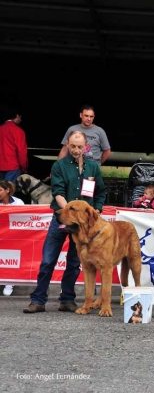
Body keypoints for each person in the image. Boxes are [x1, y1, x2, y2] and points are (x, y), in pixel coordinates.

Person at [24, 131, 106, 314]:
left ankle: (67, 300)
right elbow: (58, 192)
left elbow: (100, 193)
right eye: (72, 146)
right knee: (48, 260)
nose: (76, 150)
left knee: (74, 262)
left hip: (82, 226)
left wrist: (97, 209)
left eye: (79, 147)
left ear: (86, 147)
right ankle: (38, 300)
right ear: (67, 144)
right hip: (61, 220)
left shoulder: (93, 167)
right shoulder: (59, 166)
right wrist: (70, 213)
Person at [0, 180, 25, 296]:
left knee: (12, 259)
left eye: (0, 190)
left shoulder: (19, 202)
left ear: (7, 190)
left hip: (15, 237)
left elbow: (25, 219)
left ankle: (9, 282)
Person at [0, 107, 28, 183]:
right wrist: (24, 167)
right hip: (12, 166)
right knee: (9, 191)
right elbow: (21, 151)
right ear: (17, 116)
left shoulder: (1, 128)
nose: (21, 120)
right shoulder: (18, 131)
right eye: (20, 117)